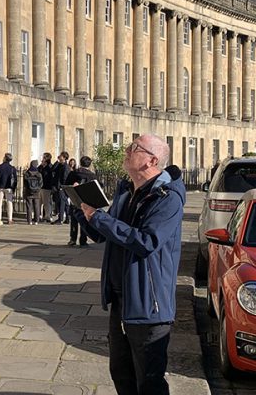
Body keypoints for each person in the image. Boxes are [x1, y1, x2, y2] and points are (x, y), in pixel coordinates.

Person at [74, 133, 185, 394]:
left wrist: (100, 218)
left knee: (149, 381)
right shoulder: (127, 192)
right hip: (120, 297)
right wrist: (81, 210)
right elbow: (103, 235)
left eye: (134, 147)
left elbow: (146, 241)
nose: (126, 150)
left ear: (152, 160)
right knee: (121, 372)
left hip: (148, 303)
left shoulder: (167, 198)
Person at [64, 156, 96, 246]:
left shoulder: (74, 173)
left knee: (74, 220)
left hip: (75, 199)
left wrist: (69, 196)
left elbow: (66, 185)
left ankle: (72, 239)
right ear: (89, 164)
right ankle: (83, 240)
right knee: (84, 220)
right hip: (87, 201)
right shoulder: (92, 175)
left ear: (80, 162)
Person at [0, 152, 18, 224]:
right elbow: (15, 179)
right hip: (9, 187)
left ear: (5, 158)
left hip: (0, 186)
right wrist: (14, 188)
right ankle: (9, 219)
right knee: (9, 202)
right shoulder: (12, 168)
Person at [23, 160, 43, 225]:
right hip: (37, 192)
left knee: (29, 206)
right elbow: (41, 184)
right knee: (36, 206)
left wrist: (28, 189)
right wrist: (38, 189)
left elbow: (25, 184)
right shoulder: (39, 174)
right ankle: (36, 221)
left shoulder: (27, 173)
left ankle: (29, 221)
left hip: (29, 192)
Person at [53, 152, 71, 224]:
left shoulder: (66, 167)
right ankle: (67, 218)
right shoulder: (60, 165)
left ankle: (60, 219)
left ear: (64, 157)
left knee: (62, 203)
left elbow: (65, 178)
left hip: (62, 188)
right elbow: (53, 169)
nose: (59, 156)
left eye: (60, 156)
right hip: (59, 187)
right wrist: (57, 161)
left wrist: (61, 187)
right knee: (66, 203)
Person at [38, 152, 55, 223]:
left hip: (47, 187)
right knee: (39, 202)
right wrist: (41, 166)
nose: (42, 159)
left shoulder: (50, 167)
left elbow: (50, 177)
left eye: (44, 157)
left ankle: (48, 216)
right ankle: (38, 215)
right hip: (40, 187)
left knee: (46, 203)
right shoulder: (41, 167)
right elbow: (38, 172)